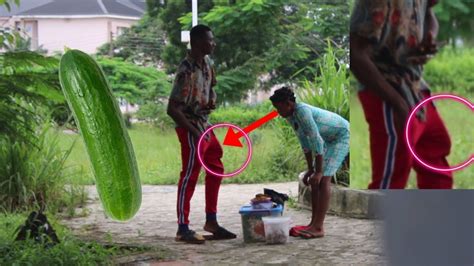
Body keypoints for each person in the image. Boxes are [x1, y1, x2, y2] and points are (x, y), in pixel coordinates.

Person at [350, 0, 453, 189]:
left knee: (436, 149)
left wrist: (428, 36)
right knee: (391, 180)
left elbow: (430, 14)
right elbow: (355, 55)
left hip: (416, 87)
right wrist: (397, 103)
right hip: (386, 92)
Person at [167, 24, 236, 244]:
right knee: (190, 174)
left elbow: (211, 91)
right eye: (209, 40)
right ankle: (182, 228)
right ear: (197, 42)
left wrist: (204, 127)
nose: (213, 43)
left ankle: (211, 221)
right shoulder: (185, 70)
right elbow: (172, 109)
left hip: (204, 123)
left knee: (215, 165)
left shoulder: (207, 64)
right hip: (189, 125)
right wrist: (195, 132)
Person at [270, 87, 350, 238]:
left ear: (288, 103)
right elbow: (305, 143)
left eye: (279, 108)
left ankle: (319, 228)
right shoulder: (291, 116)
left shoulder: (302, 111)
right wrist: (310, 170)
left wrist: (318, 171)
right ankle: (313, 224)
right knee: (314, 181)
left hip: (342, 136)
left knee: (324, 178)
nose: (278, 113)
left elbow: (316, 141)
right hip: (328, 140)